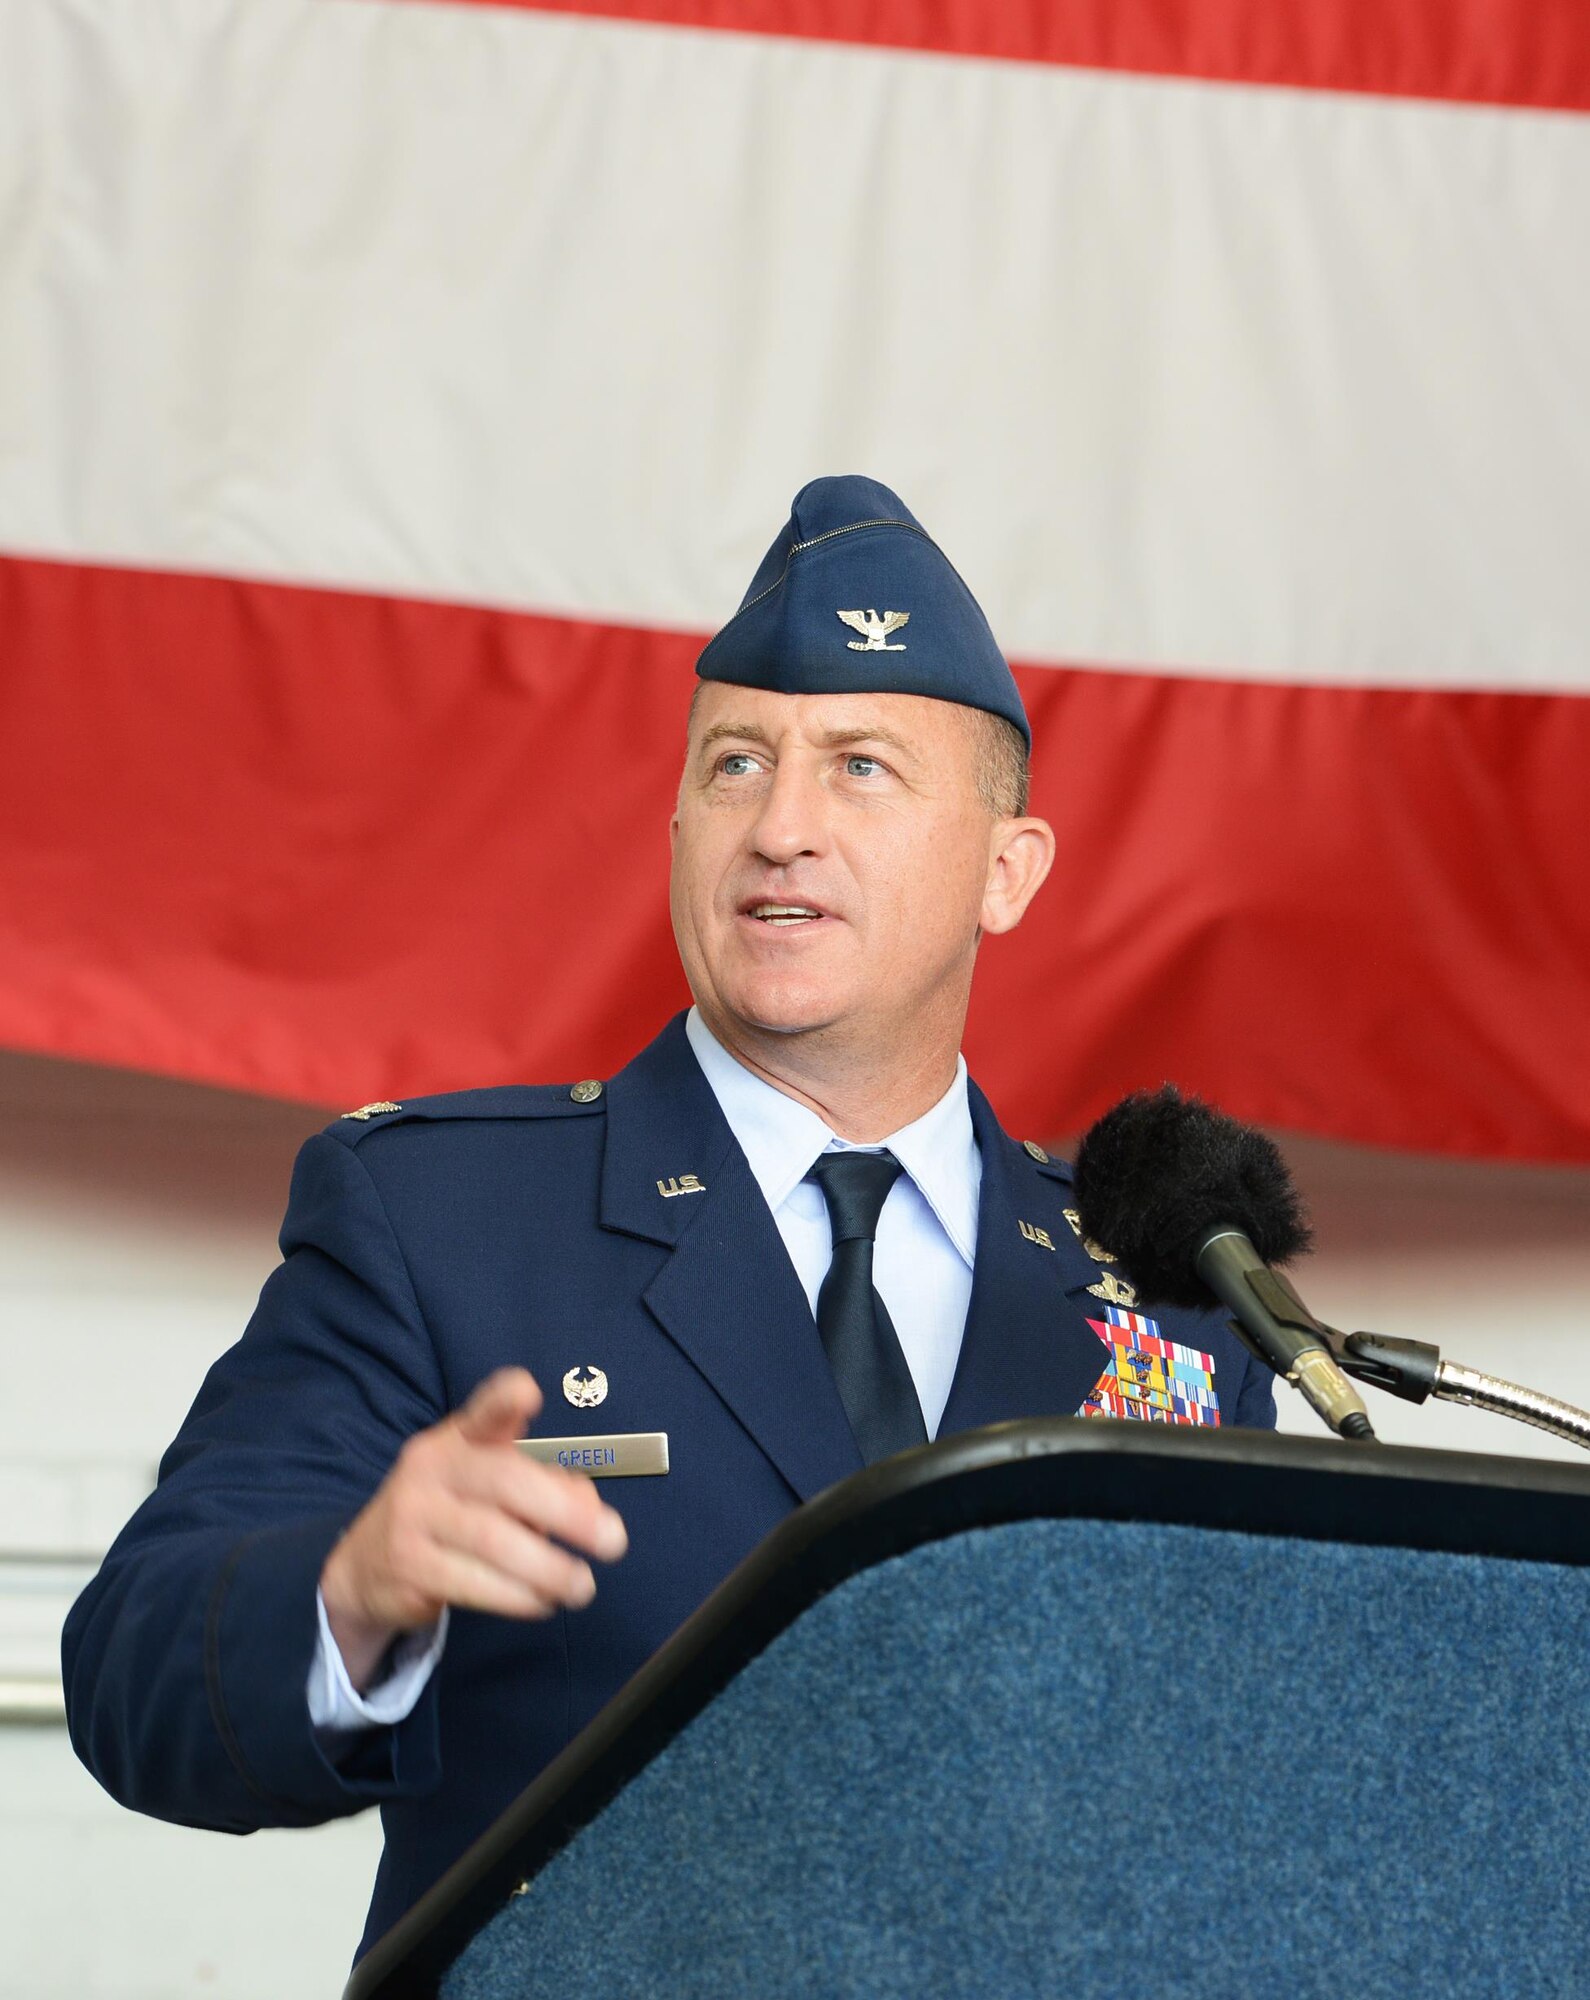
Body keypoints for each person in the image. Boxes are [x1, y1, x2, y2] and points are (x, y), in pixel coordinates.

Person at [63, 475, 1277, 1960]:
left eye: (861, 769)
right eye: (734, 765)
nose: (779, 827)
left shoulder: (1163, 1285)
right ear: (677, 830)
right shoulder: (443, 1218)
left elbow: (1250, 1790)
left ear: (1005, 872)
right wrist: (353, 1589)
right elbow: (137, 1672)